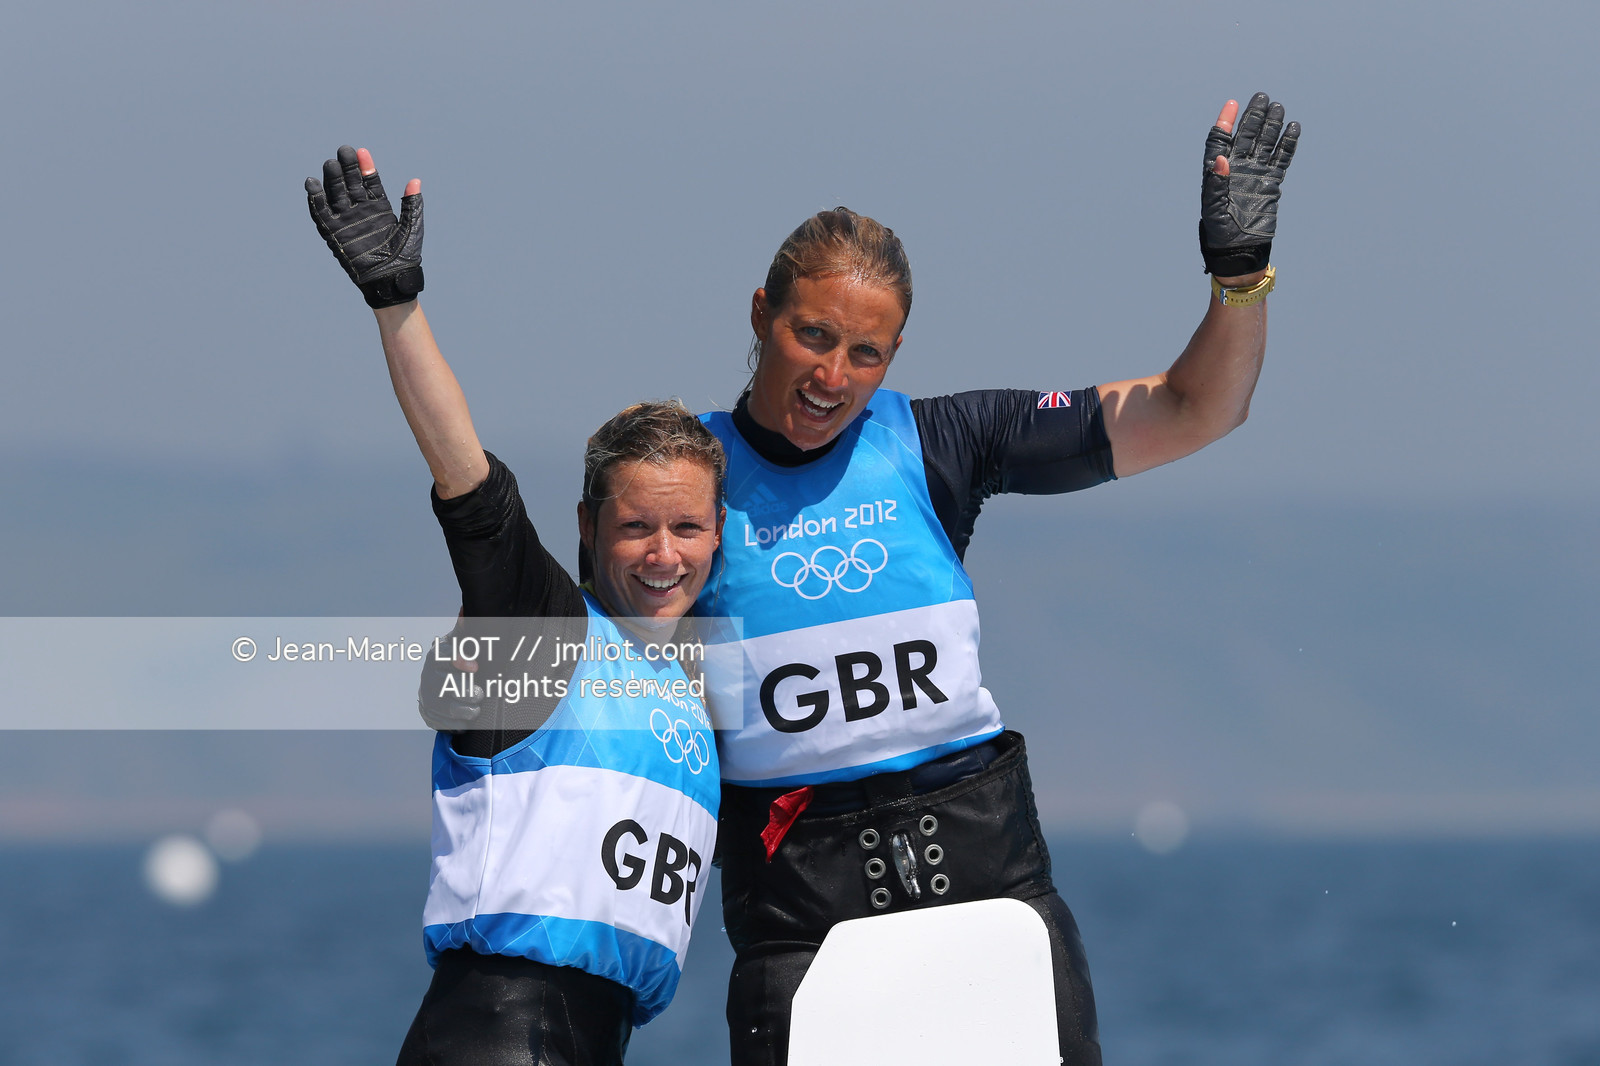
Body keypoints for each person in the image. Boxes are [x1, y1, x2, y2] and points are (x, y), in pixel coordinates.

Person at [422, 91, 1299, 1066]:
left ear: (892, 358)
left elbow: (1193, 410)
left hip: (992, 909)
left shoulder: (943, 443)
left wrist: (1239, 277)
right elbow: (566, 648)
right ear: (762, 314)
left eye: (864, 352)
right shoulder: (679, 494)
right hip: (805, 940)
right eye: (811, 335)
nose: (832, 374)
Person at [305, 145, 726, 1065]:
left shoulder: (697, 678)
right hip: (495, 1038)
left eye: (687, 528)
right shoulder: (546, 632)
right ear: (587, 527)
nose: (663, 556)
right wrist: (396, 304)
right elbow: (474, 491)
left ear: (718, 532)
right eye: (635, 528)